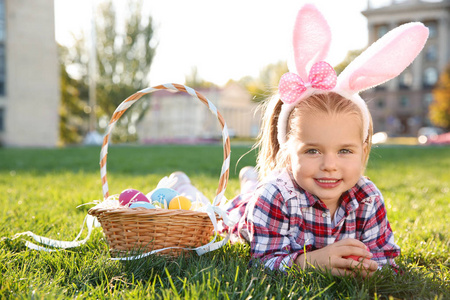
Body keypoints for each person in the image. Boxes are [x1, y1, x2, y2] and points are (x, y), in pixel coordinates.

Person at [220, 4, 429, 277]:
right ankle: (230, 183)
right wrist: (313, 261)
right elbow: (264, 261)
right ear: (287, 151)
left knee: (253, 184)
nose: (330, 165)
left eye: (344, 150)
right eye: (313, 151)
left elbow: (385, 256)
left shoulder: (367, 199)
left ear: (364, 152)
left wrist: (370, 266)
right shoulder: (275, 197)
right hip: (246, 214)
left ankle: (250, 177)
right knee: (238, 203)